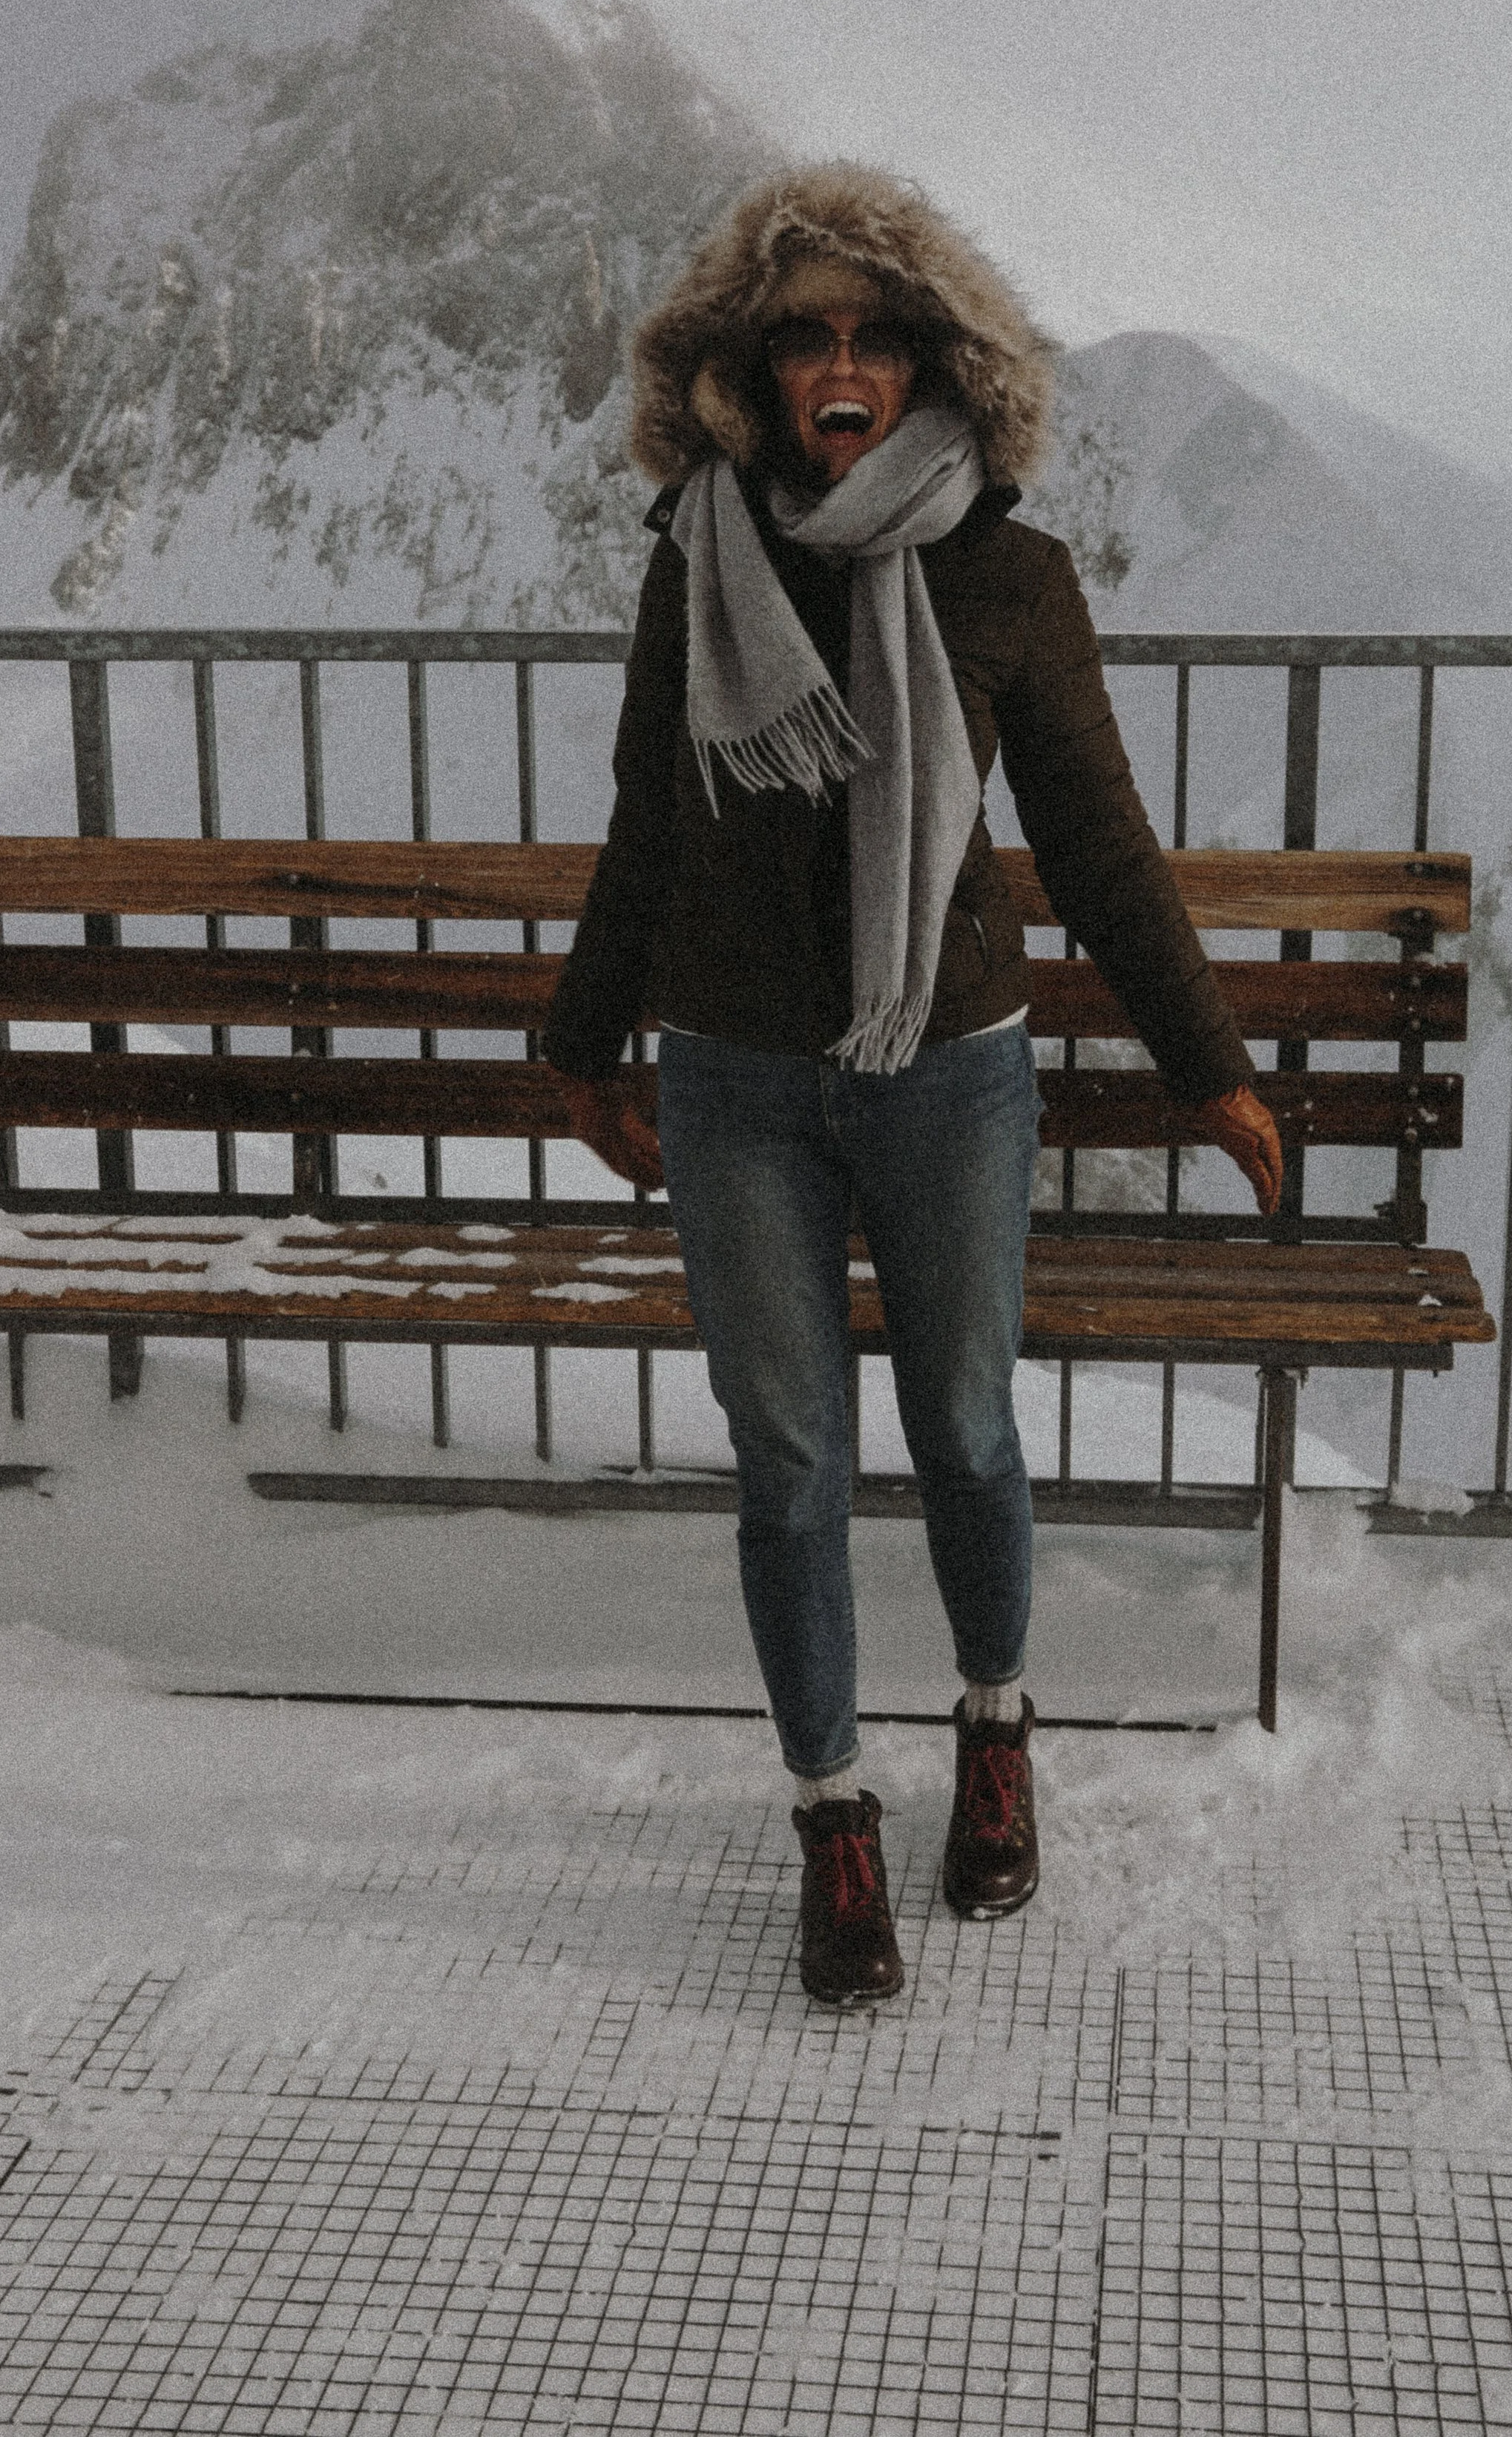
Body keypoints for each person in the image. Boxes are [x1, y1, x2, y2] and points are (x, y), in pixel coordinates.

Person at [543, 165, 1283, 2007]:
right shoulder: (700, 555)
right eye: (806, 338)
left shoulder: (1007, 575)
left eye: (877, 336)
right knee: (789, 1461)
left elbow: (1095, 844)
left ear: (939, 363)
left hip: (945, 1067)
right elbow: (648, 814)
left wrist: (1208, 1069)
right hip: (733, 1082)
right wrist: (583, 1044)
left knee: (963, 1425)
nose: (841, 367)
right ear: (754, 368)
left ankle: (996, 1728)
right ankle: (832, 1817)